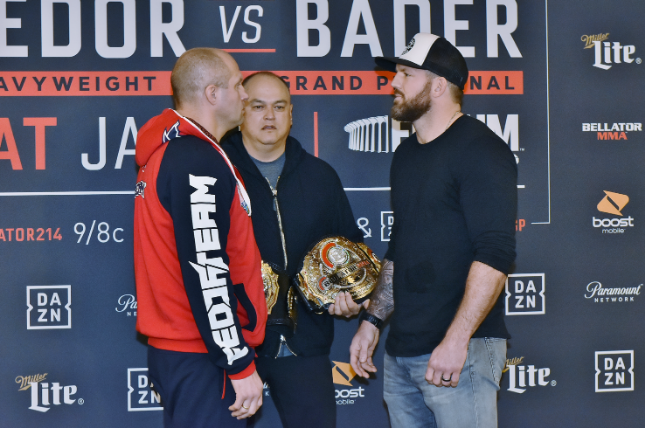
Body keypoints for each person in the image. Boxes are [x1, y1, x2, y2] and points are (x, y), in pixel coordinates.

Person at [349, 33, 517, 428]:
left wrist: (456, 341)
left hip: (461, 353)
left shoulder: (482, 151)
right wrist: (372, 322)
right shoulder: (406, 154)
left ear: (439, 86)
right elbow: (401, 247)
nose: (394, 82)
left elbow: (495, 254)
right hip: (403, 351)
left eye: (406, 74)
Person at [221, 71, 366, 428]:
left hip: (305, 343)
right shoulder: (217, 174)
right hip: (235, 344)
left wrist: (351, 294)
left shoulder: (320, 176)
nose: (269, 116)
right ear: (241, 111)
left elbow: (350, 248)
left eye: (279, 106)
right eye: (258, 106)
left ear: (291, 114)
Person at [133, 48, 267, 427]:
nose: (245, 94)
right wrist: (237, 361)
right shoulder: (196, 160)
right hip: (202, 355)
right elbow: (206, 267)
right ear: (212, 93)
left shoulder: (176, 152)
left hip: (186, 351)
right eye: (237, 85)